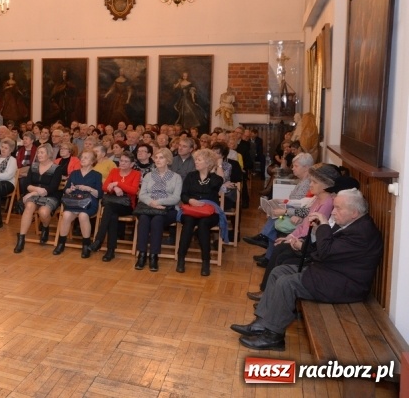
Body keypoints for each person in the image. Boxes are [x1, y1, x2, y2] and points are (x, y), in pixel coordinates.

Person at [232, 189, 383, 351]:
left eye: (338, 208)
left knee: (287, 283)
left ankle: (274, 336)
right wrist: (303, 245)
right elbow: (324, 250)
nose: (333, 212)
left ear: (354, 212)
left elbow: (325, 252)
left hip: (345, 285)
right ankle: (262, 323)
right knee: (279, 272)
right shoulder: (351, 224)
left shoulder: (362, 233)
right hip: (331, 273)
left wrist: (324, 224)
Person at [176, 148, 225, 276]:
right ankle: (181, 259)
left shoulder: (215, 178)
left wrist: (218, 164)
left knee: (203, 224)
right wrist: (190, 200)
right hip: (191, 209)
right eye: (196, 159)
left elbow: (220, 181)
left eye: (199, 160)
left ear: (208, 163)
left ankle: (206, 261)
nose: (196, 162)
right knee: (188, 222)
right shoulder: (191, 176)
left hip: (209, 212)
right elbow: (183, 195)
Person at [135, 148, 183, 271]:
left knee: (157, 220)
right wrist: (152, 203)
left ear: (168, 160)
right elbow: (142, 194)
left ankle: (154, 256)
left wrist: (159, 202)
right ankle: (141, 254)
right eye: (156, 157)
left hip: (168, 209)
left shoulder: (176, 177)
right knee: (144, 219)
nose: (157, 160)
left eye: (161, 157)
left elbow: (176, 198)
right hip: (148, 207)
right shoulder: (148, 175)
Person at [13, 144, 64, 254]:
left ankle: (45, 227)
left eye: (42, 153)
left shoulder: (57, 168)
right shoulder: (33, 166)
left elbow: (52, 188)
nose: (39, 155)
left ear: (49, 154)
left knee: (43, 212)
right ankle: (21, 239)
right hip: (34, 195)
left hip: (51, 195)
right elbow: (27, 184)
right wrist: (35, 190)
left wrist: (32, 193)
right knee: (29, 206)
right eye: (38, 153)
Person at [90, 151, 141, 261]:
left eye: (126, 161)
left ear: (132, 164)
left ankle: (98, 240)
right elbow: (104, 187)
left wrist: (117, 184)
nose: (122, 163)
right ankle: (110, 250)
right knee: (111, 214)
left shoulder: (136, 173)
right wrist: (115, 188)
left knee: (109, 209)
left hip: (126, 206)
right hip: (112, 204)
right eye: (121, 160)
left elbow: (133, 190)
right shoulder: (114, 171)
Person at [53, 150, 102, 258]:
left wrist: (88, 189)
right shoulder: (75, 173)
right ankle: (61, 243)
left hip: (89, 203)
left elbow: (99, 194)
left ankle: (86, 245)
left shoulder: (97, 175)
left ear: (92, 161)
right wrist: (69, 190)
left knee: (83, 216)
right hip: (74, 202)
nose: (83, 159)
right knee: (65, 215)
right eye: (82, 157)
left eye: (86, 157)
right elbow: (65, 190)